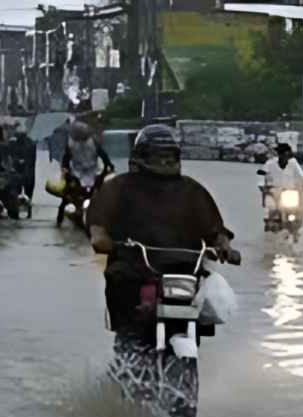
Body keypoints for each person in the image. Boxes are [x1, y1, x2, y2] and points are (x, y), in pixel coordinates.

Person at [86, 125, 241, 335]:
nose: (164, 161)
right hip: (134, 267)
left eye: (169, 155)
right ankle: (126, 338)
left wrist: (225, 247)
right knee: (118, 280)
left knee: (204, 295)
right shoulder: (118, 187)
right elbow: (98, 226)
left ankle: (191, 334)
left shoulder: (191, 190)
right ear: (142, 155)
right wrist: (103, 240)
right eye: (158, 155)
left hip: (184, 270)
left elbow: (215, 227)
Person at [257, 142, 303, 229]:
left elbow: (301, 175)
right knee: (270, 211)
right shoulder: (270, 163)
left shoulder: (293, 163)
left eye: (286, 153)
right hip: (273, 191)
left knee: (295, 210)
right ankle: (269, 223)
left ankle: (295, 228)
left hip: (289, 192)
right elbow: (261, 174)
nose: (284, 155)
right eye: (282, 153)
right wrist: (261, 185)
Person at [9, 124, 37, 219]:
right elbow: (11, 157)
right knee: (16, 193)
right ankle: (17, 212)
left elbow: (31, 161)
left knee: (28, 194)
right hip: (19, 171)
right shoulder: (13, 144)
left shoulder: (31, 145)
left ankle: (29, 213)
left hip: (28, 172)